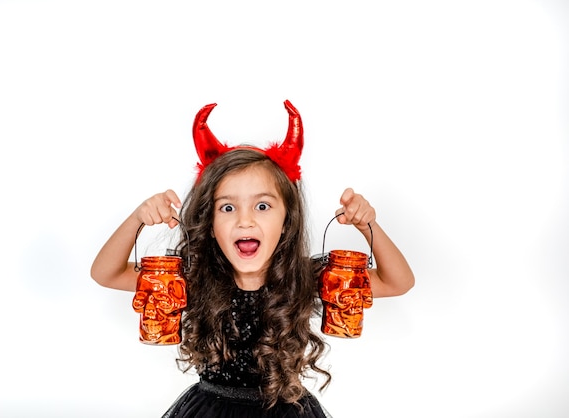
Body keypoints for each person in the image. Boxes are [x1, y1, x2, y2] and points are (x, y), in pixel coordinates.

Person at [90, 100, 415, 417]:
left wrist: (366, 225)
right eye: (228, 208)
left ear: (286, 221)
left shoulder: (307, 277)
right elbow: (106, 273)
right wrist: (137, 218)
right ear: (211, 225)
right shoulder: (192, 279)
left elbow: (398, 281)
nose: (245, 220)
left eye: (262, 206)